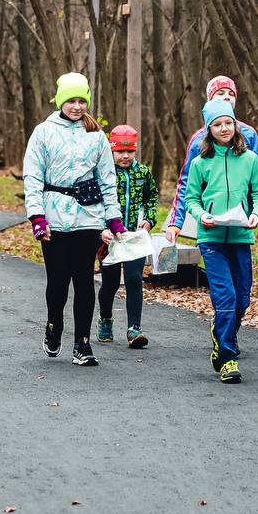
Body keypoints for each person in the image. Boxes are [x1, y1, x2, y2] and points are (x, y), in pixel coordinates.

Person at [23, 73, 126, 366]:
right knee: (58, 282)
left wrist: (113, 219)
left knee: (83, 281)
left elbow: (107, 180)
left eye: (82, 100)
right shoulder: (43, 132)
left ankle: (82, 344)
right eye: (71, 100)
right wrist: (37, 217)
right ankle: (53, 326)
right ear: (60, 100)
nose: (77, 106)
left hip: (87, 216)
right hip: (53, 218)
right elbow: (32, 177)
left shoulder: (96, 136)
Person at [184, 99, 258, 384]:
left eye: (228, 123)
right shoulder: (200, 163)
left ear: (235, 124)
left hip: (241, 235)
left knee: (242, 298)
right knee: (226, 298)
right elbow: (190, 198)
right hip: (212, 238)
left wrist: (256, 214)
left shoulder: (249, 159)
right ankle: (227, 358)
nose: (224, 128)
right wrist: (201, 214)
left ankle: (222, 333)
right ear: (209, 129)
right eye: (217, 124)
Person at [165, 75, 258, 243]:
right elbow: (186, 182)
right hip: (211, 224)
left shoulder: (249, 134)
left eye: (231, 93)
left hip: (242, 226)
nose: (227, 96)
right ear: (209, 99)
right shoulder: (198, 139)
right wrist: (176, 222)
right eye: (221, 92)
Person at [97, 125, 159, 349]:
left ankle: (135, 329)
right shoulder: (104, 173)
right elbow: (94, 204)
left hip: (134, 236)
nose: (125, 156)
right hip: (110, 238)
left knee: (134, 279)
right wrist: (100, 230)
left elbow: (152, 197)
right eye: (120, 152)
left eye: (129, 151)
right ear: (112, 150)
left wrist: (150, 219)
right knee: (110, 284)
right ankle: (105, 318)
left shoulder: (142, 172)